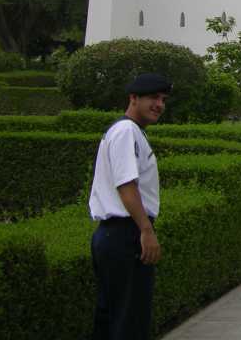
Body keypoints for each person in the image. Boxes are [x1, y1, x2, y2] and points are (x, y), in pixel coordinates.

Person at [89, 73, 172, 340]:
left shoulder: (129, 131)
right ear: (133, 98)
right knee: (129, 320)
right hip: (125, 234)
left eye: (162, 99)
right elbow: (127, 186)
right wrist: (146, 231)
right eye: (152, 98)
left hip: (116, 234)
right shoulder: (126, 131)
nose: (159, 104)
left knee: (113, 316)